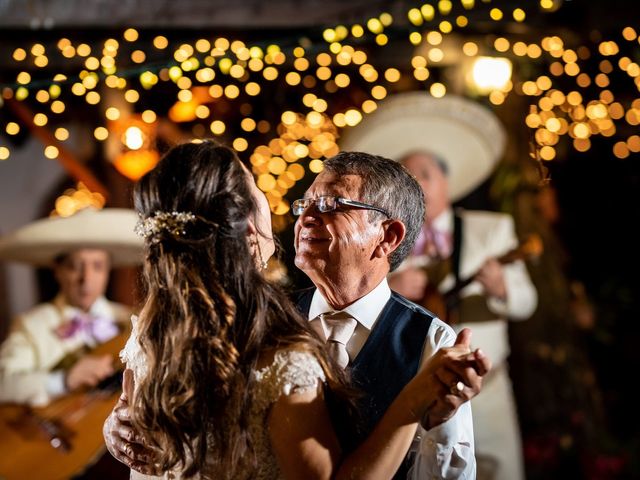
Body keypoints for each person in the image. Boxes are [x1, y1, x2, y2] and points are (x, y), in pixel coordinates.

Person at [103, 141, 490, 479]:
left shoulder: (431, 342)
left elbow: (446, 471)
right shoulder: (256, 321)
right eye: (306, 203)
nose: (305, 216)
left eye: (332, 205)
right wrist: (118, 426)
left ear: (387, 236)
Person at [388, 151, 537, 480]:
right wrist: (389, 286)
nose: (417, 184)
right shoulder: (386, 238)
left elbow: (527, 302)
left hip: (488, 390)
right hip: (414, 398)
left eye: (425, 174)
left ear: (446, 183)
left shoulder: (492, 228)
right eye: (407, 177)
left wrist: (500, 288)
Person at [0, 208, 142, 407]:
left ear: (108, 271)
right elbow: (3, 384)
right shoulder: (32, 324)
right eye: (75, 266)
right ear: (58, 271)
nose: (86, 279)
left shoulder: (133, 321)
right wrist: (62, 381)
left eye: (97, 266)